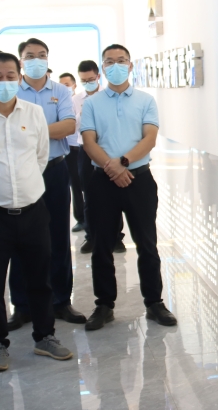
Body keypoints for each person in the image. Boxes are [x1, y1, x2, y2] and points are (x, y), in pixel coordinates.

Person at [0, 51, 74, 371]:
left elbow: (41, 157)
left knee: (40, 279)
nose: (5, 81)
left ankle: (45, 337)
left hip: (34, 211)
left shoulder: (34, 114)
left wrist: (23, 188)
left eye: (10, 76)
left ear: (19, 78)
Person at [81, 44, 177, 330]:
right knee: (101, 246)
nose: (116, 65)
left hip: (139, 180)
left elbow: (150, 138)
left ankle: (154, 303)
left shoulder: (146, 100)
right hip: (102, 181)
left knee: (147, 243)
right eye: (109, 62)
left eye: (121, 60)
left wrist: (123, 162)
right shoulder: (92, 103)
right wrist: (112, 168)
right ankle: (104, 305)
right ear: (103, 68)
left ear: (130, 65)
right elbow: (88, 141)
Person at [4, 38, 86, 328]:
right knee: (20, 239)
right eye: (30, 56)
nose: (36, 60)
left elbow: (69, 126)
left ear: (48, 59)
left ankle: (61, 301)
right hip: (21, 173)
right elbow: (6, 130)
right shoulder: (11, 90)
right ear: (21, 60)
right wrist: (46, 130)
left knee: (58, 238)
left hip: (54, 170)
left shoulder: (60, 91)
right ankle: (22, 305)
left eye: (41, 55)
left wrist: (28, 130)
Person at [75, 59, 125, 254]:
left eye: (90, 79)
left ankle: (117, 238)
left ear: (98, 76)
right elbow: (73, 126)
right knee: (89, 195)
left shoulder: (109, 96)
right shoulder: (75, 100)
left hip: (108, 150)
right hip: (85, 150)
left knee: (114, 195)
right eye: (83, 81)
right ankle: (91, 236)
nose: (87, 83)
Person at [58, 72, 88, 235]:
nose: (64, 88)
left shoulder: (80, 100)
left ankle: (92, 217)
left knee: (88, 184)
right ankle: (81, 218)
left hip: (85, 147)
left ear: (74, 85)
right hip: (70, 149)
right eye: (61, 85)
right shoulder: (60, 102)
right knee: (74, 185)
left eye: (67, 85)